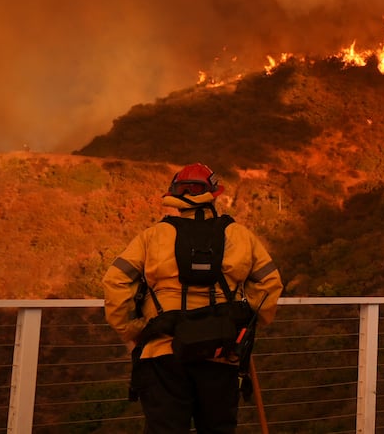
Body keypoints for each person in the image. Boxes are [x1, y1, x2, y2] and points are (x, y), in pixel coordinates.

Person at [103, 163, 283, 434]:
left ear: (174, 194)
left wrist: (132, 329)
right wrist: (245, 324)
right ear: (213, 193)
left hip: (162, 352)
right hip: (221, 353)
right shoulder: (239, 235)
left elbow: (115, 281)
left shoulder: (152, 237)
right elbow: (269, 284)